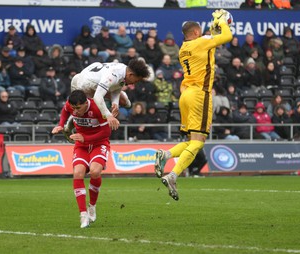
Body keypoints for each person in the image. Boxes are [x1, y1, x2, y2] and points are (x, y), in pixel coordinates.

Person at [154, 9, 233, 201]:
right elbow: (227, 36)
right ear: (196, 33)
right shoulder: (200, 42)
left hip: (185, 95)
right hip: (200, 94)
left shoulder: (184, 48)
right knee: (198, 142)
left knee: (191, 141)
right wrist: (222, 21)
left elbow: (209, 41)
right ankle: (173, 174)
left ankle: (166, 155)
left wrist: (212, 28)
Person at [51, 90, 112, 228]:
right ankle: (83, 214)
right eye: (73, 108)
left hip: (99, 143)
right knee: (78, 173)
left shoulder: (97, 107)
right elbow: (65, 110)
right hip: (81, 145)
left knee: (95, 172)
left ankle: (92, 205)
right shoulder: (71, 105)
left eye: (78, 108)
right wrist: (61, 124)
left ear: (86, 103)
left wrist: (86, 138)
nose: (75, 111)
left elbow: (106, 132)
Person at [68, 59, 150, 131]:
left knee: (126, 103)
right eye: (136, 81)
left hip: (95, 82)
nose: (134, 83)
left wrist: (115, 103)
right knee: (82, 110)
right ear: (131, 75)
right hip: (83, 85)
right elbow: (98, 96)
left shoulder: (124, 70)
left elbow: (117, 87)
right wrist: (108, 115)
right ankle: (70, 124)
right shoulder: (113, 75)